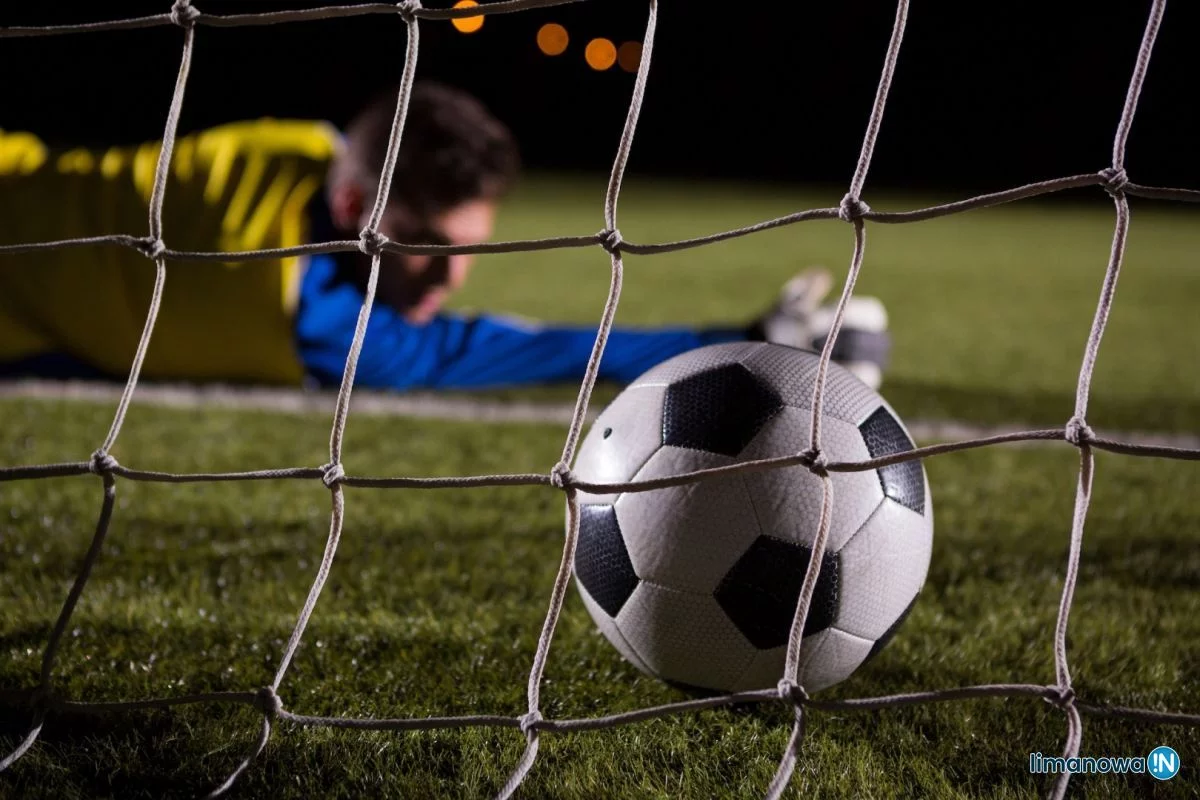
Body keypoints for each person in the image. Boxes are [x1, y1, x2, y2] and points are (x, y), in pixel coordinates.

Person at [0, 81, 889, 392]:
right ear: (355, 212)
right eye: (429, 242)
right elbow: (512, 350)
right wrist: (738, 342)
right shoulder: (321, 328)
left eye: (472, 246)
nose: (452, 277)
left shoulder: (296, 147)